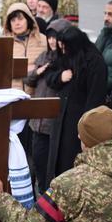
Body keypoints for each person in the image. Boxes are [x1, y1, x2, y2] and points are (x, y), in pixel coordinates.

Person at [48, 25, 108, 181]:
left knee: (72, 165)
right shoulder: (66, 56)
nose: (63, 51)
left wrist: (85, 128)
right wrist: (60, 77)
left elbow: (95, 98)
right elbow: (50, 75)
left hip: (78, 123)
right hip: (61, 120)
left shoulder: (94, 62)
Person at [25, 20, 64, 192]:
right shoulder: (43, 57)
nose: (52, 41)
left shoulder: (67, 60)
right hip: (37, 123)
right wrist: (37, 71)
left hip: (53, 123)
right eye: (49, 38)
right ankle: (41, 196)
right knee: (38, 163)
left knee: (53, 167)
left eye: (55, 37)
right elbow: (28, 79)